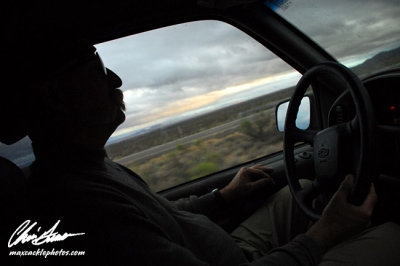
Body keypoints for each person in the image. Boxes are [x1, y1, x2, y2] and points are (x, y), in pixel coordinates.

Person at [3, 43, 400, 266]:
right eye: (95, 68)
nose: (115, 79)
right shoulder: (77, 203)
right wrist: (323, 235)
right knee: (393, 235)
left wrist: (224, 196)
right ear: (56, 97)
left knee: (302, 191)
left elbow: (161, 215)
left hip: (229, 250)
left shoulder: (87, 165)